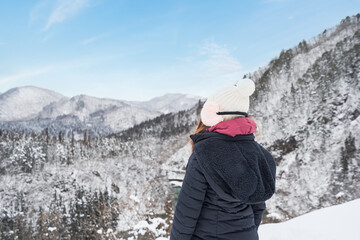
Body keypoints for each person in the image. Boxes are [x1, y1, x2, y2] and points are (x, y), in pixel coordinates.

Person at [170, 78, 276, 240]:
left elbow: (187, 210)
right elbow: (258, 205)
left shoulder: (204, 152)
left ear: (213, 113)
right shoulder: (260, 154)